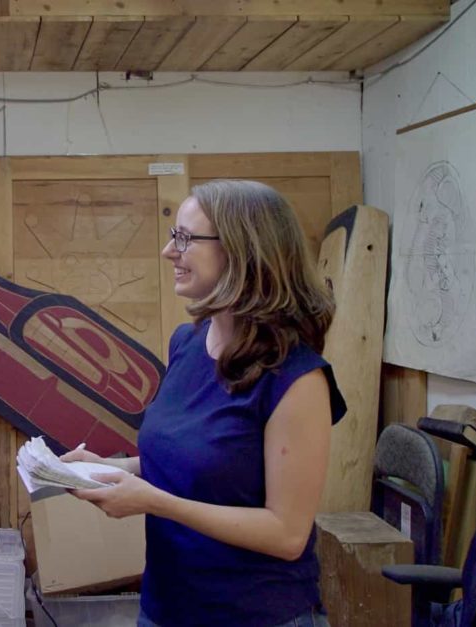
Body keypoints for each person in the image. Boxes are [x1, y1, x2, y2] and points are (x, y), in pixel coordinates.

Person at [63, 179, 347, 627]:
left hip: (255, 616)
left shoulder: (298, 379)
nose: (168, 252)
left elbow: (288, 534)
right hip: (165, 608)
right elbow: (197, 461)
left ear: (243, 251)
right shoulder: (188, 343)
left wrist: (154, 502)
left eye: (184, 238)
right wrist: (112, 469)